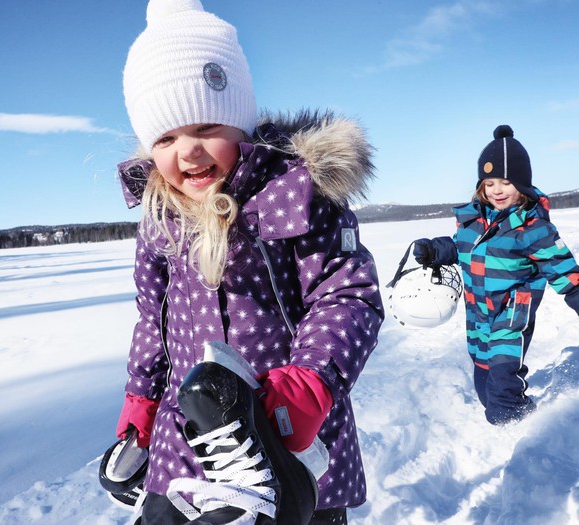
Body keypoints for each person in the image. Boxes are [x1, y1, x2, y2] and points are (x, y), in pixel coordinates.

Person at [110, 0, 385, 523]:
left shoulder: (297, 195)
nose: (187, 152)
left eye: (205, 126)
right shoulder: (160, 220)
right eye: (166, 138)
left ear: (240, 119)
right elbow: (154, 321)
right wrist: (141, 405)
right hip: (187, 452)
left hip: (288, 444)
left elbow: (347, 294)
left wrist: (310, 382)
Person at [412, 125, 579, 425]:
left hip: (511, 314)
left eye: (506, 182)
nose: (497, 190)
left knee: (502, 384)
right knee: (484, 382)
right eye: (490, 182)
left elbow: (562, 268)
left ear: (521, 184)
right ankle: (516, 415)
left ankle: (519, 431)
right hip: (478, 315)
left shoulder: (533, 229)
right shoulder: (472, 222)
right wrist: (434, 249)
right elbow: (460, 248)